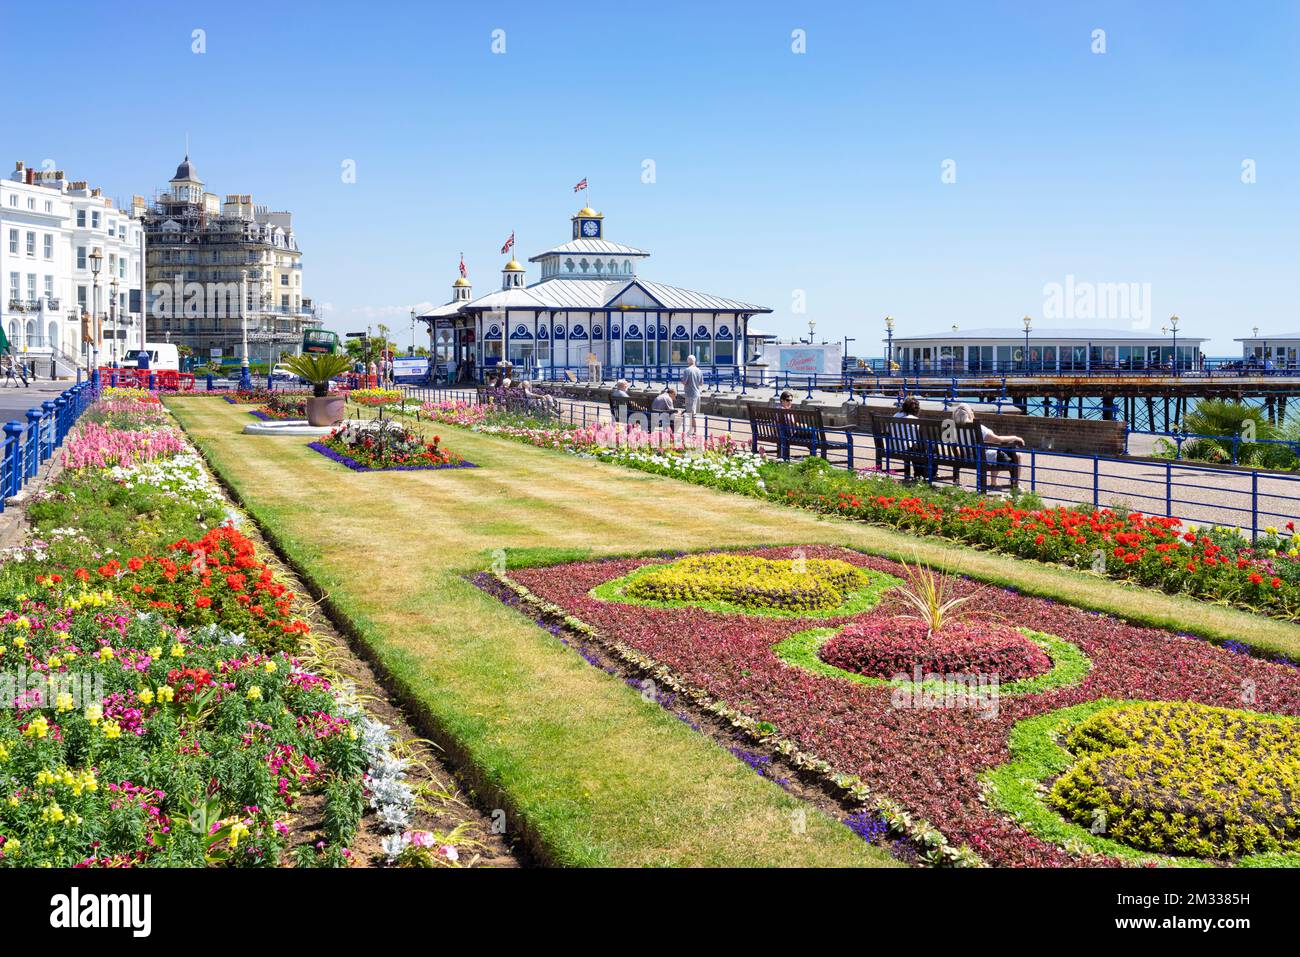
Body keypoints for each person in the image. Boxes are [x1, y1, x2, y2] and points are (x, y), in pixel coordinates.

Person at [952, 403, 1023, 489]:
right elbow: (996, 439)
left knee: (993, 450)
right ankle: (1016, 484)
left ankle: (994, 483)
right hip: (981, 458)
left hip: (967, 458)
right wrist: (1014, 437)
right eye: (972, 410)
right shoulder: (977, 427)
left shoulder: (954, 428)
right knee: (1017, 455)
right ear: (970, 413)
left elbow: (955, 445)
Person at [681, 355, 704, 435]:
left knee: (691, 413)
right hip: (698, 393)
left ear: (688, 361)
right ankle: (695, 430)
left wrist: (682, 379)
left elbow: (684, 382)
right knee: (696, 413)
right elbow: (701, 383)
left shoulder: (687, 370)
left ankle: (693, 430)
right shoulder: (699, 370)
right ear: (695, 361)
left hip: (690, 394)